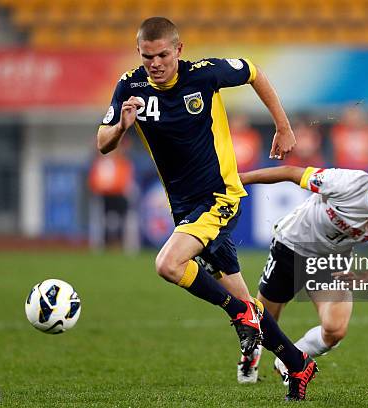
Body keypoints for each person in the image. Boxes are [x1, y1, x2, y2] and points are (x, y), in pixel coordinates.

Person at [96, 17, 317, 401]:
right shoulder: (129, 86)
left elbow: (254, 72)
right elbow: (102, 142)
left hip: (219, 198)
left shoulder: (205, 74)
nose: (156, 63)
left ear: (178, 50)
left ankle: (237, 313)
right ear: (140, 54)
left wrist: (282, 126)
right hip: (184, 209)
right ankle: (298, 363)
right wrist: (122, 128)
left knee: (168, 264)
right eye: (148, 56)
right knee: (249, 304)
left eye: (163, 54)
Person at [237, 150, 368, 383]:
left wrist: (360, 279)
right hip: (292, 245)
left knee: (335, 329)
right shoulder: (347, 183)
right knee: (262, 322)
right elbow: (290, 172)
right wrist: (241, 179)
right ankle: (249, 358)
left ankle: (289, 360)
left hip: (330, 263)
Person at [330, 105, 368, 171]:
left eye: (356, 116)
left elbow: (367, 153)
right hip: (345, 168)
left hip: (364, 169)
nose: (353, 119)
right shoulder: (338, 131)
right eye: (351, 116)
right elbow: (340, 151)